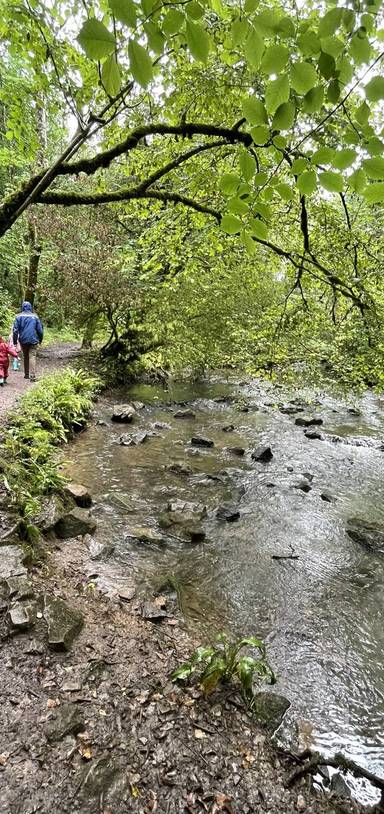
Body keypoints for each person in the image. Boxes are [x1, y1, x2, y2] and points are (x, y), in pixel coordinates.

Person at [13, 301, 44, 382]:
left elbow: (15, 330)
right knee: (32, 356)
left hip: (23, 340)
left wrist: (15, 342)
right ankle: (32, 376)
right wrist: (40, 340)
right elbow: (40, 330)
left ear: (22, 307)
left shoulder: (18, 316)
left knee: (26, 356)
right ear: (30, 307)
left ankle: (26, 375)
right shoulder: (35, 317)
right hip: (33, 340)